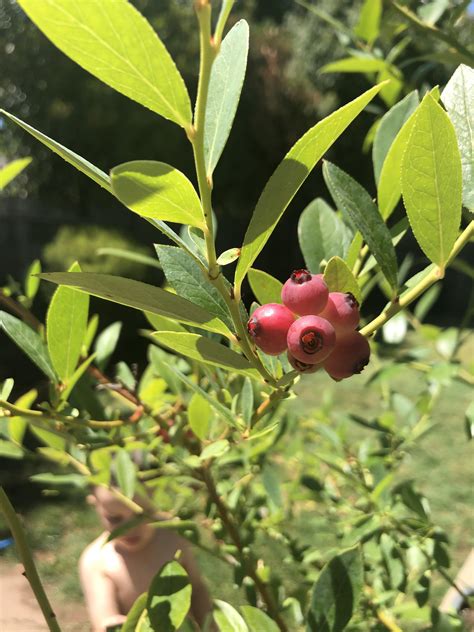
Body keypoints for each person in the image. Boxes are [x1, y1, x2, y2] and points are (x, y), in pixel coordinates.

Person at [79, 485, 214, 632]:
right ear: (95, 504)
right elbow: (104, 622)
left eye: (141, 515)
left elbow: (197, 589)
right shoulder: (97, 561)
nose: (130, 529)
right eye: (115, 519)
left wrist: (211, 626)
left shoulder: (174, 535)